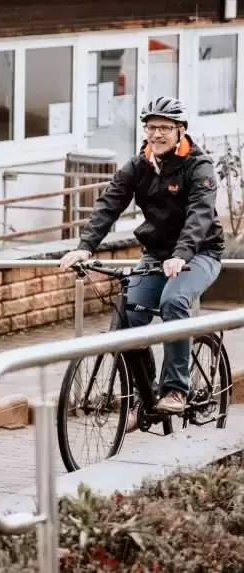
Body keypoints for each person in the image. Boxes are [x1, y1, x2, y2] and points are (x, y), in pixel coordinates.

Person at [58, 95, 224, 414]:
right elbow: (109, 203)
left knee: (173, 302)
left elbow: (199, 216)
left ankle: (176, 390)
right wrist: (84, 247)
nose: (156, 134)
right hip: (157, 254)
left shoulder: (198, 166)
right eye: (151, 127)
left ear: (180, 131)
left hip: (199, 253)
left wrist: (181, 254)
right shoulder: (139, 165)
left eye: (165, 127)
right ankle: (145, 390)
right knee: (130, 315)